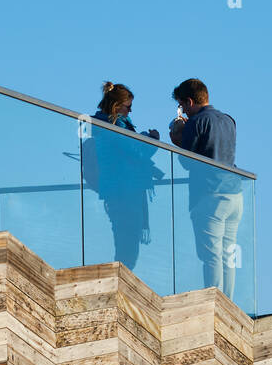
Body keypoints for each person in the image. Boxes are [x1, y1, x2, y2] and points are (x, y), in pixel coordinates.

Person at [169, 78, 241, 300]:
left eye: (181, 106)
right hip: (235, 193)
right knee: (228, 253)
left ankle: (215, 304)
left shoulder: (195, 122)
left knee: (211, 255)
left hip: (209, 195)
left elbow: (187, 162)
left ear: (189, 102)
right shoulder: (229, 120)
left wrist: (177, 136)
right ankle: (228, 301)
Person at [83, 81, 164, 271]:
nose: (131, 111)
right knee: (127, 244)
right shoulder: (115, 124)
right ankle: (119, 282)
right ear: (116, 105)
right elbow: (136, 151)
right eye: (128, 107)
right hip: (124, 190)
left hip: (117, 189)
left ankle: (119, 279)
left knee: (124, 240)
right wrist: (152, 141)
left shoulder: (107, 123)